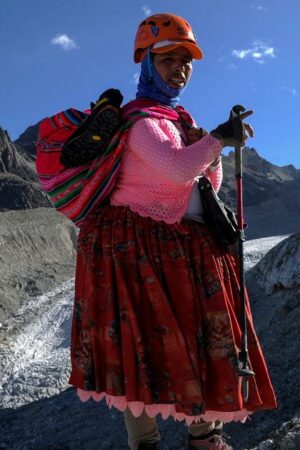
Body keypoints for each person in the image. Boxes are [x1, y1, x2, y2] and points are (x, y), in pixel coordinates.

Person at [64, 13, 277, 450]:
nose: (180, 67)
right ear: (145, 63)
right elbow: (176, 168)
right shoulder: (139, 121)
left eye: (186, 60)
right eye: (168, 59)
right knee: (146, 343)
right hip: (138, 249)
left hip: (170, 247)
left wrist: (212, 148)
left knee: (174, 343)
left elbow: (205, 182)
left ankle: (202, 437)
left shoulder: (174, 118)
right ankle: (151, 442)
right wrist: (216, 140)